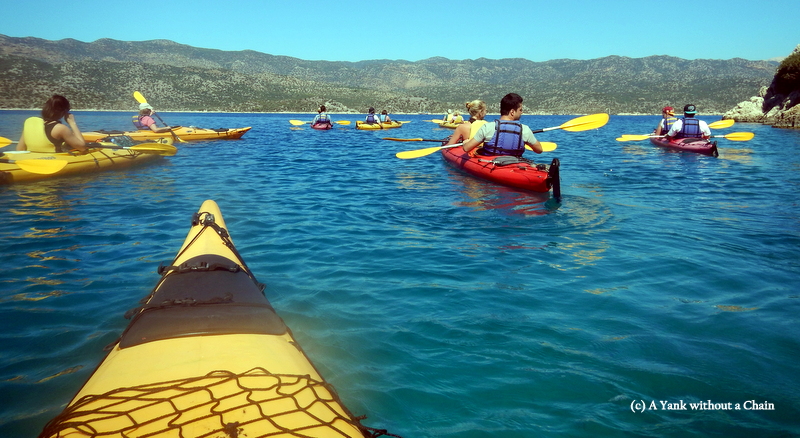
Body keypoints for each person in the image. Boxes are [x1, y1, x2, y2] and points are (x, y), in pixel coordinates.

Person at [461, 93, 544, 157]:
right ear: (512, 112)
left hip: (490, 164)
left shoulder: (488, 127)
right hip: (513, 164)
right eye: (520, 110)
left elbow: (466, 148)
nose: (522, 112)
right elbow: (539, 150)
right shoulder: (524, 130)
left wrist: (465, 142)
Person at [16, 94, 89, 153]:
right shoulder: (61, 128)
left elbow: (19, 149)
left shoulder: (30, 123)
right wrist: (72, 123)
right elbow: (82, 147)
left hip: (32, 159)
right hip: (52, 161)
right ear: (63, 111)